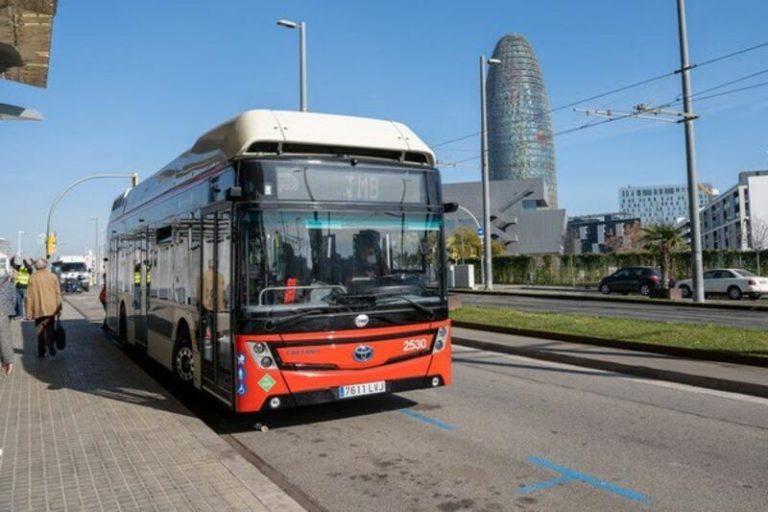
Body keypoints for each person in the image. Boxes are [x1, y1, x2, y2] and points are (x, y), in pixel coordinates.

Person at [25, 258, 62, 358]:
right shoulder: (53, 276)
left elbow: (29, 296)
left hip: (37, 310)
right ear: (45, 265)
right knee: (50, 329)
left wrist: (28, 312)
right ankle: (50, 345)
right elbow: (58, 293)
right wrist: (59, 309)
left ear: (36, 267)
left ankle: (41, 352)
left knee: (39, 331)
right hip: (51, 309)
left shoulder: (32, 278)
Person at [0, 274, 16, 375]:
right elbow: (14, 299)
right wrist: (9, 359)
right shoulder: (10, 285)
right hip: (6, 312)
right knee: (4, 332)